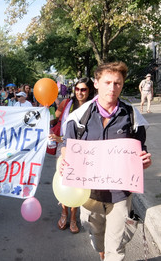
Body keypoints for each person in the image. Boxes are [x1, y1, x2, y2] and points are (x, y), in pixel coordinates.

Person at [60, 62, 152, 260]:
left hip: (120, 195)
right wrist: (65, 164)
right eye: (107, 82)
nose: (112, 88)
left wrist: (144, 160)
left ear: (122, 84)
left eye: (117, 83)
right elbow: (67, 149)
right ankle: (101, 250)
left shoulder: (131, 115)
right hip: (89, 195)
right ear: (96, 83)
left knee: (115, 249)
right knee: (97, 237)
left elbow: (140, 150)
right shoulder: (79, 117)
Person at [49, 77, 95, 234]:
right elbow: (54, 119)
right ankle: (64, 212)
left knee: (77, 185)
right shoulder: (66, 104)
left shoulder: (95, 108)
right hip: (64, 146)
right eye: (77, 89)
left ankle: (74, 216)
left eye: (83, 90)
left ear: (90, 91)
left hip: (84, 149)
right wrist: (44, 111)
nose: (79, 93)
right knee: (64, 180)